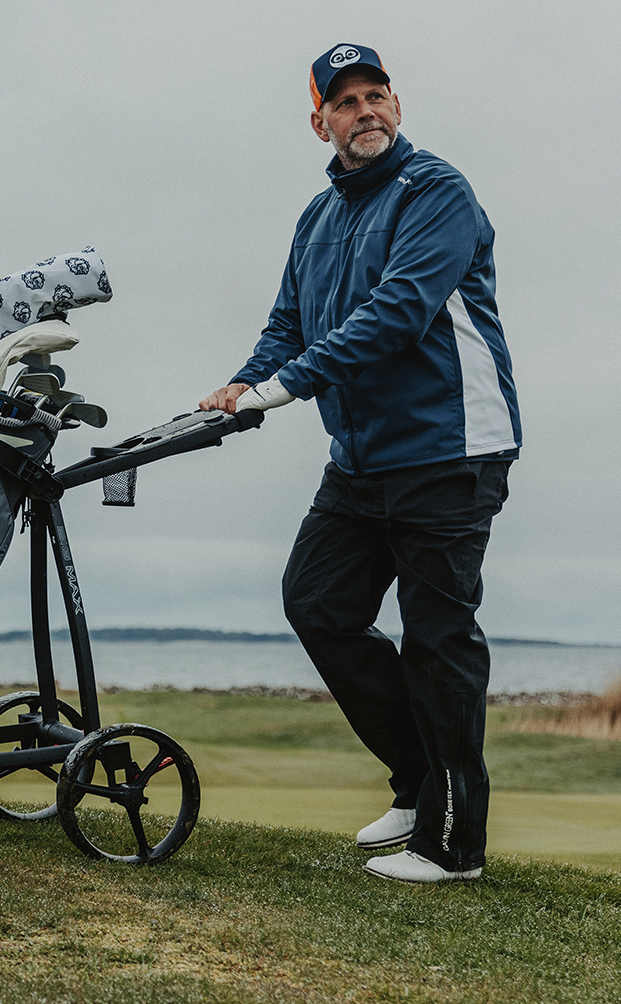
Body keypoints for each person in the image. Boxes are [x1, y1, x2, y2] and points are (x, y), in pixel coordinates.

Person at [200, 43, 521, 884]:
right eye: (345, 103)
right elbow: (289, 326)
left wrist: (286, 388)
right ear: (321, 124)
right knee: (318, 602)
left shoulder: (436, 192)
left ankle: (453, 845)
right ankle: (418, 782)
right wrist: (244, 384)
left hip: (450, 449)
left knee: (438, 639)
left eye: (376, 95)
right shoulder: (318, 217)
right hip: (361, 459)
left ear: (397, 107)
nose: (365, 111)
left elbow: (398, 311)